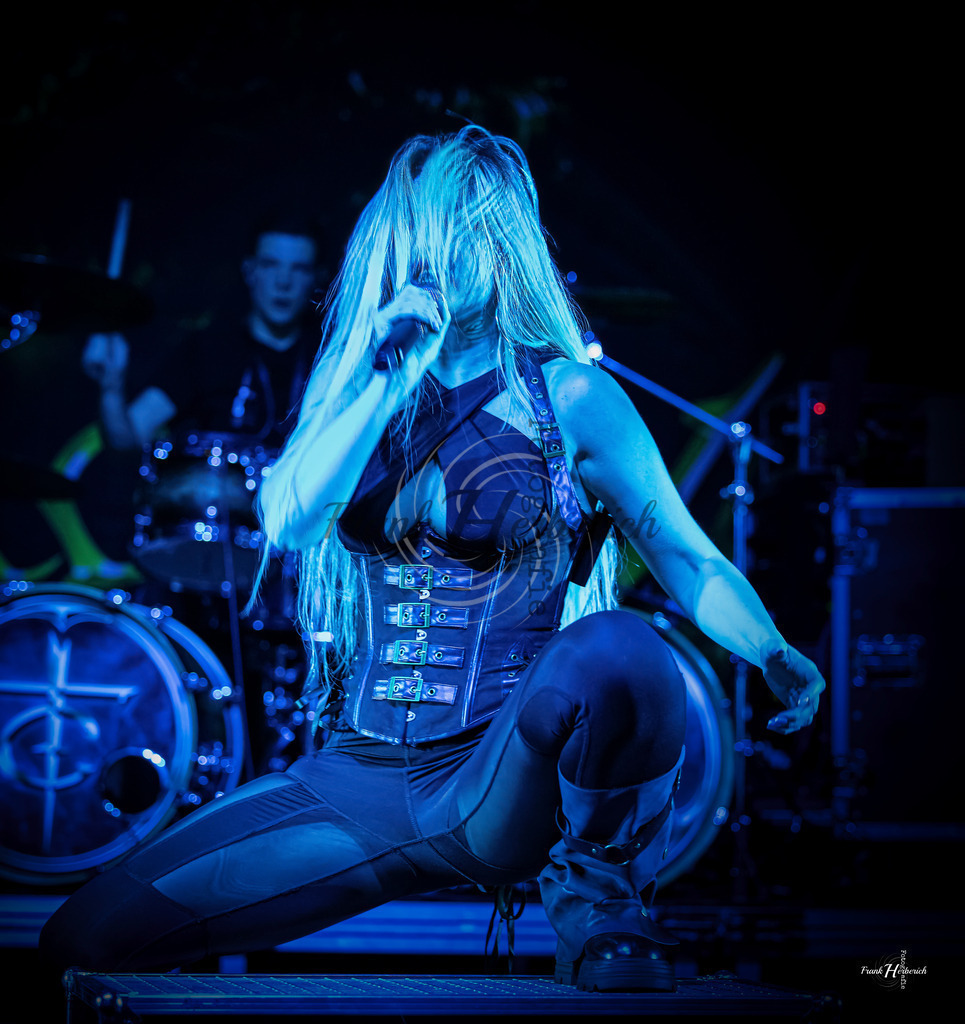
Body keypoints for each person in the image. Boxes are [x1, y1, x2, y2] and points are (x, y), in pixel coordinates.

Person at [41, 125, 824, 993]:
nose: (454, 256)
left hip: (496, 776)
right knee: (82, 943)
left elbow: (685, 554)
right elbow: (288, 519)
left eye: (475, 232)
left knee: (621, 646)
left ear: (506, 243)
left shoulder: (567, 394)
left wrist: (770, 650)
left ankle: (600, 897)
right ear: (402, 242)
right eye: (435, 234)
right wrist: (382, 376)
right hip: (359, 781)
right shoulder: (360, 390)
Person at [81, 216, 323, 450]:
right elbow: (126, 438)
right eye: (270, 264)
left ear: (315, 277)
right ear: (249, 271)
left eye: (299, 269)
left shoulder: (332, 354)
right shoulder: (207, 349)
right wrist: (111, 385)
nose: (283, 281)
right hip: (218, 489)